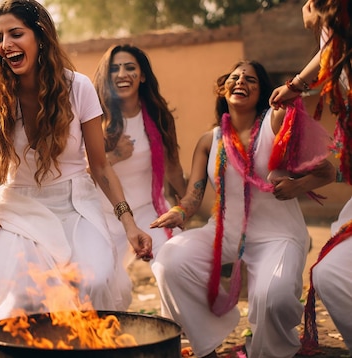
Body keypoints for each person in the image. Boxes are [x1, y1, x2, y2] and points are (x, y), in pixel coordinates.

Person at [0, 0, 153, 356]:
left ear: (41, 37)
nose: (6, 45)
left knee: (95, 279)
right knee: (13, 290)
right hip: (17, 208)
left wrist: (128, 222)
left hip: (75, 205)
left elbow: (101, 166)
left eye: (16, 34)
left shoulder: (78, 88)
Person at [150, 60, 335, 357]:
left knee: (272, 299)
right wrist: (180, 213)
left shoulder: (275, 122)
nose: (240, 82)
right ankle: (206, 345)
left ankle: (267, 351)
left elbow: (327, 172)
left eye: (250, 80)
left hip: (278, 235)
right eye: (234, 78)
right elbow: (193, 197)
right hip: (224, 233)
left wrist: (298, 186)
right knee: (168, 262)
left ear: (261, 91)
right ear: (223, 89)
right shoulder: (209, 141)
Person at [269, 0, 352, 353]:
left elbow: (326, 171)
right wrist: (297, 85)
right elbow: (331, 50)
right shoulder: (338, 35)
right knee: (329, 274)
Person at [92, 44, 186, 279]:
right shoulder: (94, 118)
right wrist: (115, 156)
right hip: (103, 217)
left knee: (174, 268)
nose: (122, 74)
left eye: (130, 68)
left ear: (142, 76)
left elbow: (173, 167)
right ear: (107, 76)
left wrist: (187, 205)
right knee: (106, 285)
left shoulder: (159, 117)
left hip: (148, 212)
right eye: (114, 69)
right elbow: (82, 171)